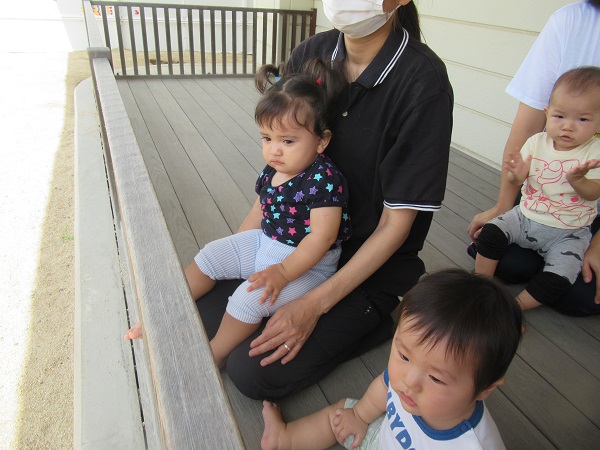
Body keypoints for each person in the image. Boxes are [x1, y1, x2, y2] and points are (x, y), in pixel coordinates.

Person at [194, 0, 453, 400]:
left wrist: (313, 305)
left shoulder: (422, 83)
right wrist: (246, 254)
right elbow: (279, 178)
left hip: (364, 268)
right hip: (289, 247)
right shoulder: (311, 53)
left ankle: (372, 320)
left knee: (249, 369)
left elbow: (395, 225)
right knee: (209, 309)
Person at [126, 60, 352, 368]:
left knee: (249, 299)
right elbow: (260, 209)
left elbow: (322, 238)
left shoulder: (324, 179)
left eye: (288, 141)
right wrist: (234, 251)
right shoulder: (274, 169)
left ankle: (214, 354)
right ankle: (162, 312)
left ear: (321, 141)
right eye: (267, 138)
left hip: (306, 266)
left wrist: (283, 272)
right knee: (211, 254)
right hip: (265, 243)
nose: (275, 150)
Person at [260, 269, 523, 450]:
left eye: (436, 378)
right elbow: (384, 387)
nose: (409, 381)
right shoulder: (410, 382)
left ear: (485, 388)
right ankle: (284, 438)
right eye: (404, 355)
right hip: (380, 437)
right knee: (340, 414)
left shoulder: (470, 445)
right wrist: (360, 415)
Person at [467, 0, 600, 315]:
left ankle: (513, 309)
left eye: (582, 120)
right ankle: (479, 289)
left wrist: (579, 182)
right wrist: (507, 194)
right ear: (548, 112)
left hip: (573, 226)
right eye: (559, 116)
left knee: (571, 290)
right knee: (498, 250)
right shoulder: (572, 18)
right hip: (532, 213)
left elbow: (593, 191)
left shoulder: (593, 153)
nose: (567, 127)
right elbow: (523, 141)